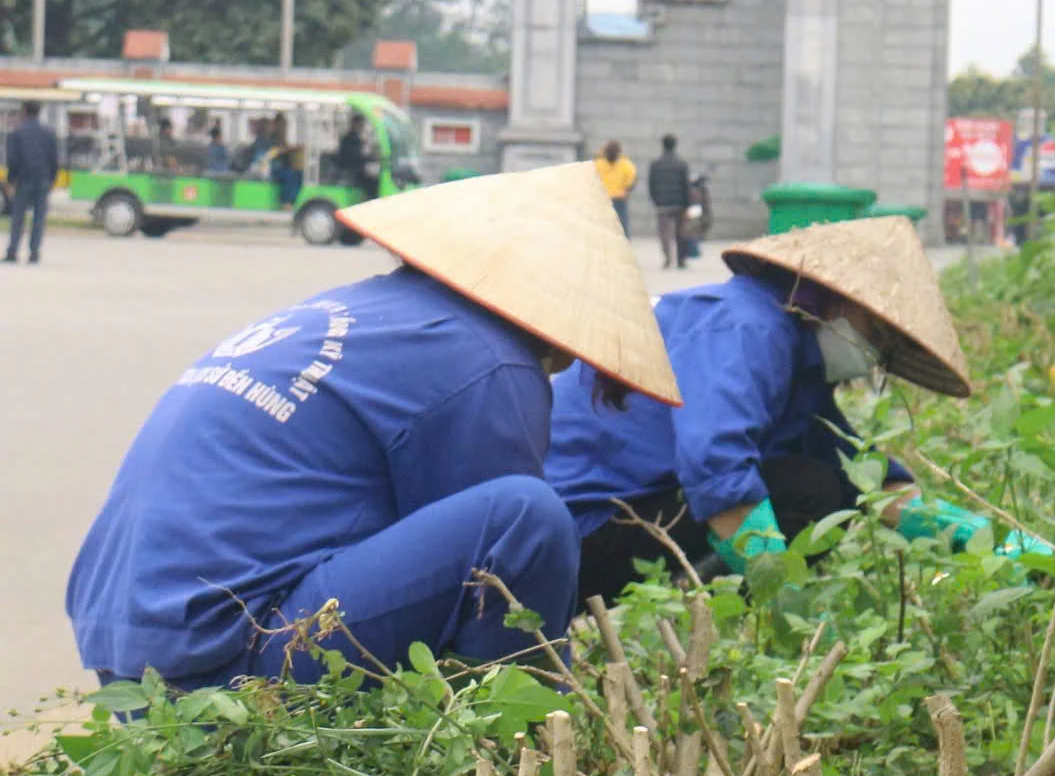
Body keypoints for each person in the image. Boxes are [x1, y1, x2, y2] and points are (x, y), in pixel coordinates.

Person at [66, 164, 682, 690]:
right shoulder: (488, 356)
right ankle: (512, 758)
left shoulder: (366, 308)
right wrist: (555, 690)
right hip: (223, 658)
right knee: (529, 520)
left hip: (122, 650)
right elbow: (504, 578)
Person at [549, 217, 1051, 603]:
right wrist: (784, 602)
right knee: (808, 491)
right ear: (836, 301)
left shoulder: (793, 355)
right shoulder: (750, 328)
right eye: (875, 336)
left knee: (825, 483)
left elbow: (871, 482)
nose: (872, 355)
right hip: (571, 536)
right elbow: (715, 467)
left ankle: (708, 604)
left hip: (619, 517)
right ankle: (718, 616)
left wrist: (1014, 550)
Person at [6, 102, 60, 265]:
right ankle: (34, 252)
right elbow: (54, 159)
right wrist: (52, 179)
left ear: (24, 112)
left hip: (23, 180)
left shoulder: (17, 133)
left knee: (18, 217)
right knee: (39, 217)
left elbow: (13, 160)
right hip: (43, 179)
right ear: (39, 112)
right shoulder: (49, 133)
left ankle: (13, 251)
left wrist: (10, 180)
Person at [647, 134, 689, 269]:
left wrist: (656, 200)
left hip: (662, 204)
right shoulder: (681, 164)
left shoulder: (655, 164)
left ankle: (667, 259)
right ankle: (681, 261)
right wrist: (686, 204)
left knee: (664, 233)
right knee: (680, 232)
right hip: (679, 204)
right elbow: (685, 186)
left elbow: (651, 185)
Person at [594, 140, 636, 235]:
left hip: (603, 199)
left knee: (602, 227)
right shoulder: (626, 164)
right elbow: (632, 180)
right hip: (619, 198)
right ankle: (624, 247)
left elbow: (593, 180)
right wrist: (627, 190)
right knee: (622, 227)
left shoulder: (598, 164)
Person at [334, 119, 377, 202]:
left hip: (354, 166)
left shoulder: (355, 137)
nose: (361, 127)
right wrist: (369, 158)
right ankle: (370, 200)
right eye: (360, 125)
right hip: (350, 167)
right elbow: (355, 156)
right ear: (354, 124)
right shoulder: (349, 138)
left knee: (371, 177)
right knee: (372, 182)